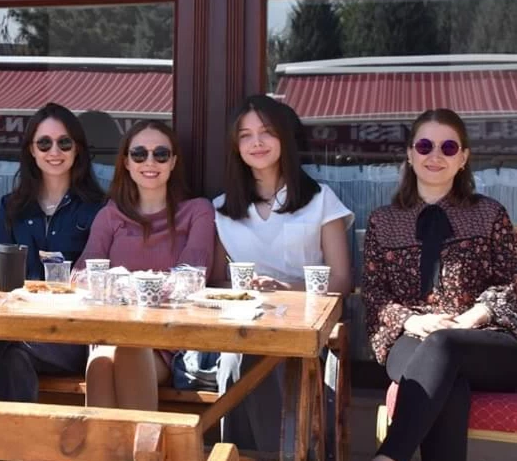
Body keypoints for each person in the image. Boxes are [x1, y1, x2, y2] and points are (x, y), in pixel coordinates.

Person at [365, 109, 517, 461]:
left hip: (485, 341)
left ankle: (388, 456)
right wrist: (412, 321)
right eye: (424, 145)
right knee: (449, 383)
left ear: (463, 158)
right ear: (409, 153)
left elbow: (512, 282)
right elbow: (374, 294)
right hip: (411, 339)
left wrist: (475, 316)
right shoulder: (383, 222)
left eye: (449, 147)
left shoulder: (490, 214)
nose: (435, 155)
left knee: (446, 344)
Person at [205, 95, 352, 452]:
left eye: (266, 132)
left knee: (260, 353)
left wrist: (286, 288)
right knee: (241, 353)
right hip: (242, 327)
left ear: (284, 138)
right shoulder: (222, 209)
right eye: (245, 135)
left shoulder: (321, 200)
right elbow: (216, 282)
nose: (256, 142)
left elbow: (342, 281)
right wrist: (249, 289)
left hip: (305, 328)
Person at [0, 103, 105, 402]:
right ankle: (3, 445)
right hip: (18, 324)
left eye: (64, 143)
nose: (54, 151)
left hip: (72, 332)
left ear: (77, 150)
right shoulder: (12, 206)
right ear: (31, 151)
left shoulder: (98, 208)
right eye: (44, 143)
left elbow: (98, 280)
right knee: (6, 353)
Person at [78, 120, 215, 410]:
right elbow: (81, 276)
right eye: (139, 154)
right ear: (126, 162)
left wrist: (119, 283)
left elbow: (191, 280)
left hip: (167, 342)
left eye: (160, 154)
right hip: (109, 333)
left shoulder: (197, 211)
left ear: (173, 162)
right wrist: (146, 284)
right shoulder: (110, 215)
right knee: (101, 360)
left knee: (127, 350)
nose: (149, 162)